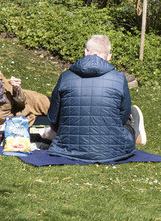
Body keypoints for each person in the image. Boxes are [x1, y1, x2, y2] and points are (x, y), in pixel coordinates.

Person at [48, 34, 147, 163]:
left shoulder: (66, 77)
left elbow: (53, 118)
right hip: (111, 151)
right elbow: (121, 118)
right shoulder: (119, 78)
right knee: (127, 121)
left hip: (68, 148)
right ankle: (136, 132)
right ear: (109, 57)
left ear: (85, 52)